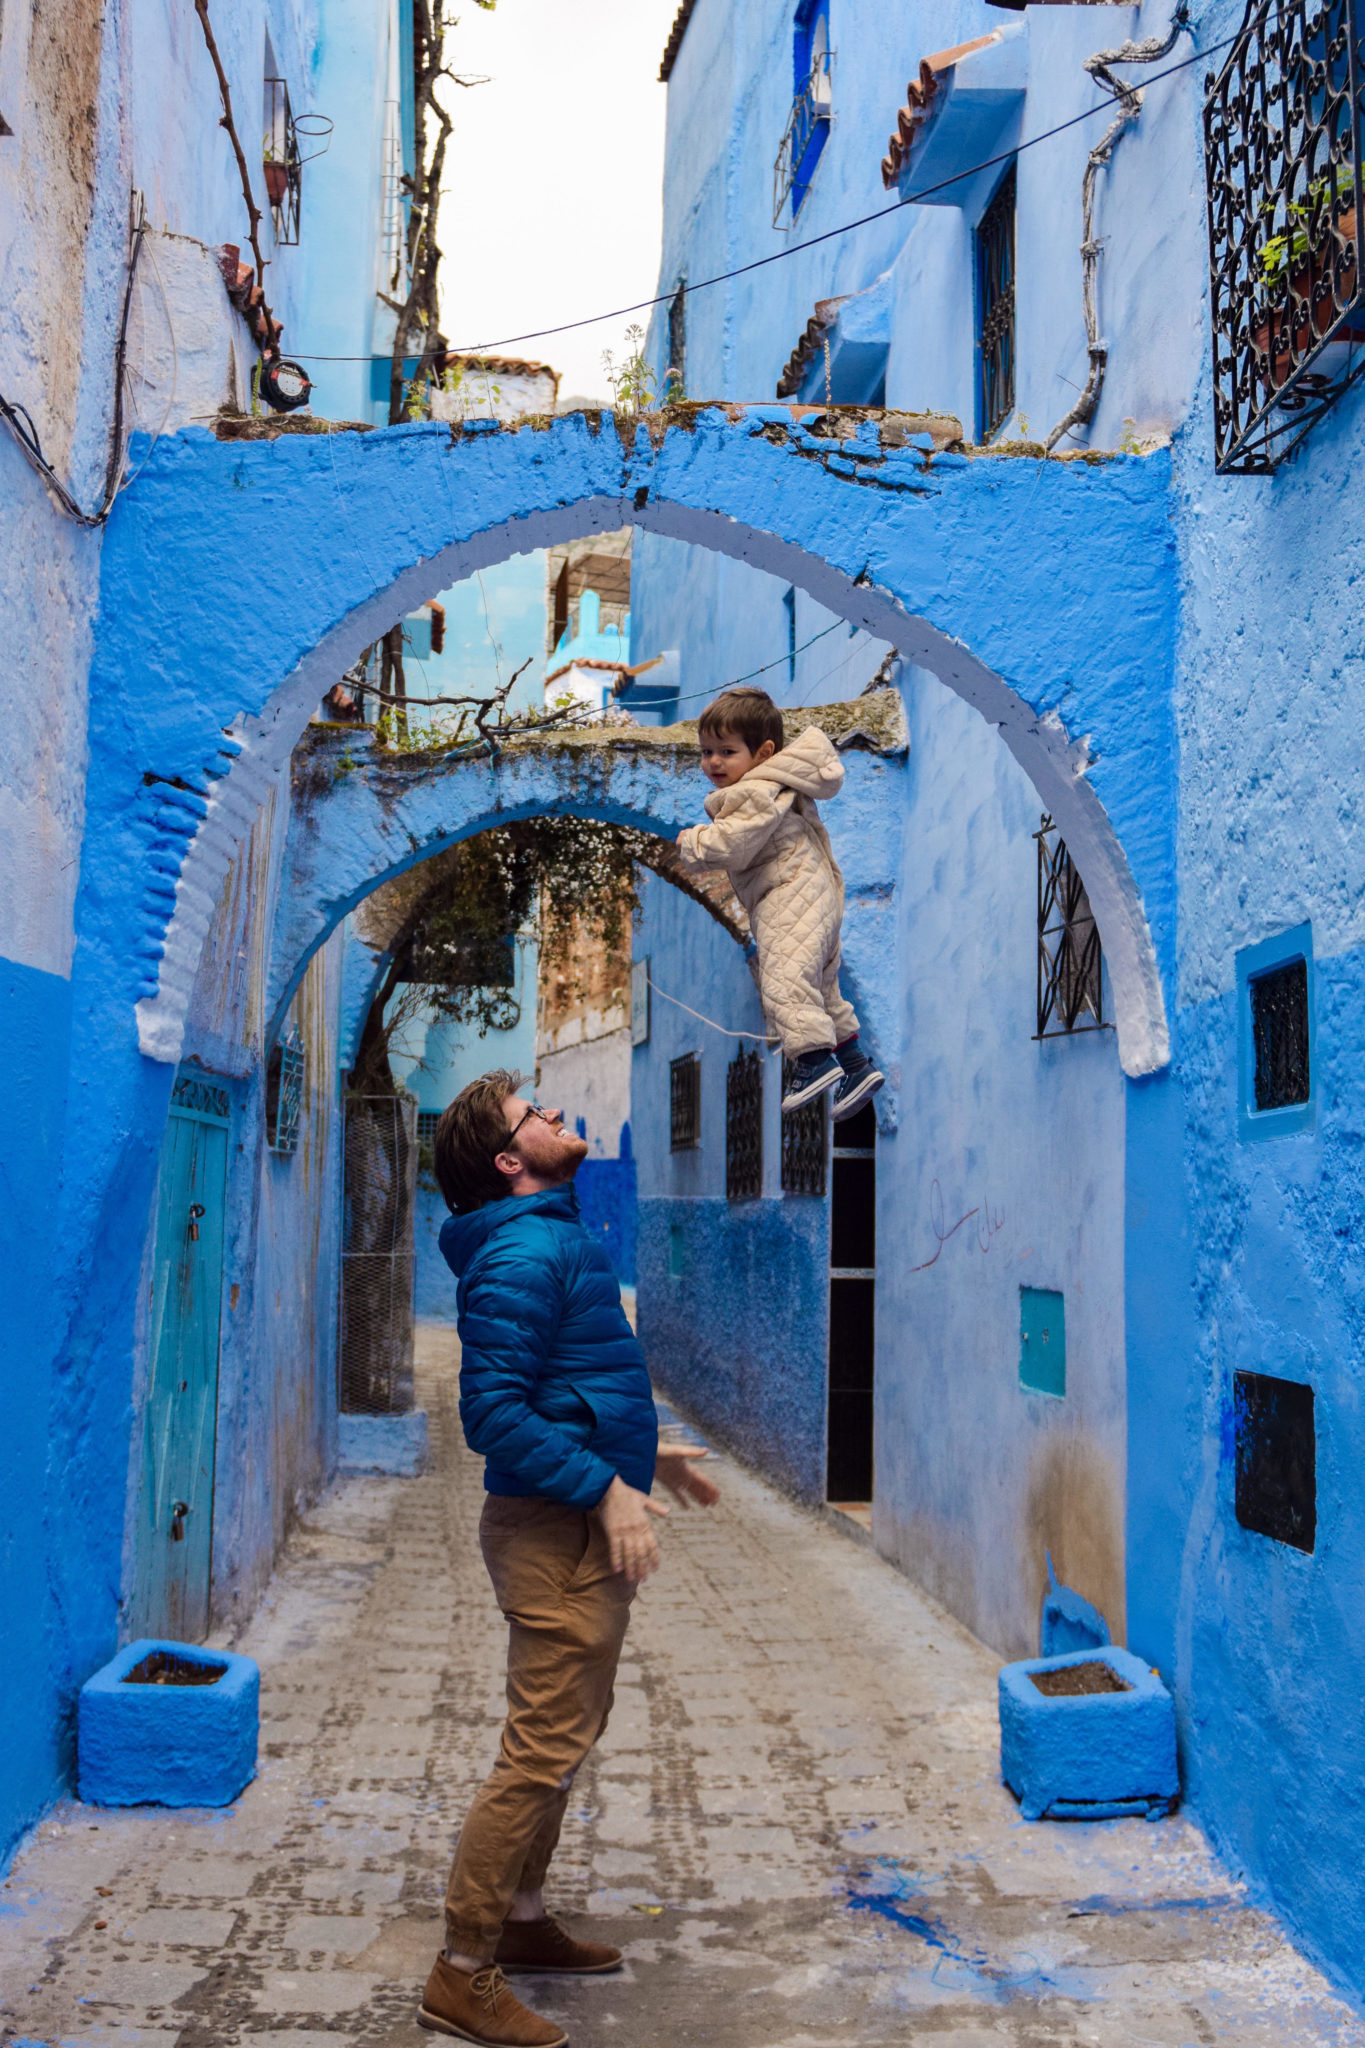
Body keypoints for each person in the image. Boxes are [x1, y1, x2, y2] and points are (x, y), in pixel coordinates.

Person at [418, 1072, 719, 2048]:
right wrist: (602, 1485)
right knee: (540, 1746)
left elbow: (560, 1385)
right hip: (552, 1530)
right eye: (532, 1114)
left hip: (569, 1517)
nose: (553, 1115)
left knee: (565, 1730)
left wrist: (645, 1457)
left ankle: (524, 1916)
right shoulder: (522, 1253)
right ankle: (463, 1970)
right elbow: (492, 1414)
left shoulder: (544, 1236)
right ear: (511, 1160)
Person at [674, 686, 884, 1121]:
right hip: (815, 894)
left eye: (726, 751)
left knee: (783, 980)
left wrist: (692, 841)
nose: (713, 762)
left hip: (788, 895)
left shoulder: (756, 790)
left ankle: (811, 1063)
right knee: (822, 989)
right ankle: (856, 1066)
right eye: (707, 751)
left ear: (764, 751)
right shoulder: (779, 784)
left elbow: (729, 845)